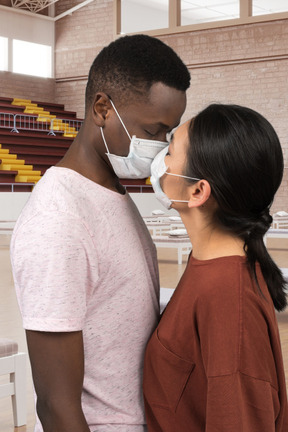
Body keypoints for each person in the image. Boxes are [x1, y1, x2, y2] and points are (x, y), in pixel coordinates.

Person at [10, 34, 190, 432]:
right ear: (102, 108)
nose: (160, 147)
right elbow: (57, 408)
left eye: (168, 134)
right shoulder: (58, 217)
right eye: (153, 130)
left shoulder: (114, 194)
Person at [143, 103, 288, 431]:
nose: (159, 160)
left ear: (197, 191)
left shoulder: (227, 299)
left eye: (170, 151)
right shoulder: (211, 264)